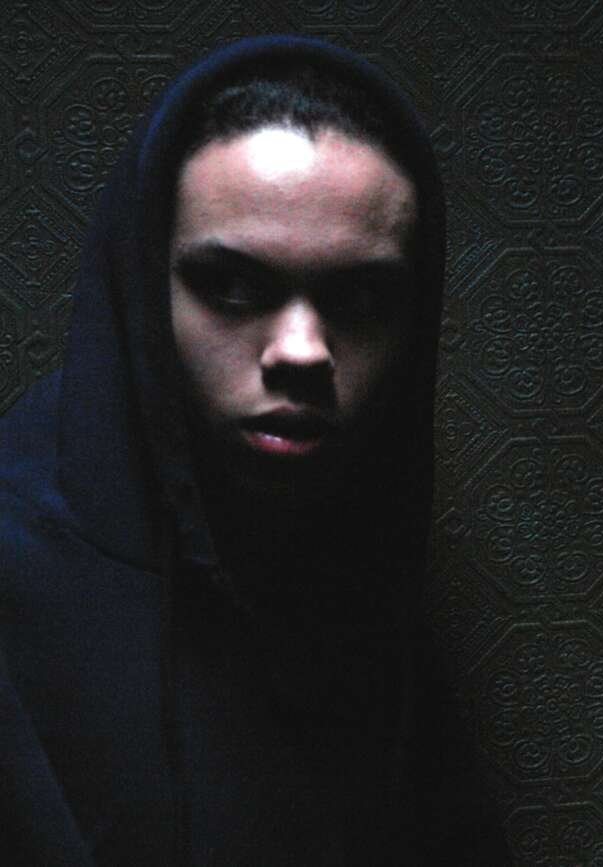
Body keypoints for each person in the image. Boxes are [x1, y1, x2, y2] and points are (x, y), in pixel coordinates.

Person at [0, 36, 505, 864]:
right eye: (233, 287)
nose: (301, 350)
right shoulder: (18, 571)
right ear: (143, 288)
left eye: (359, 297)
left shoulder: (365, 572)